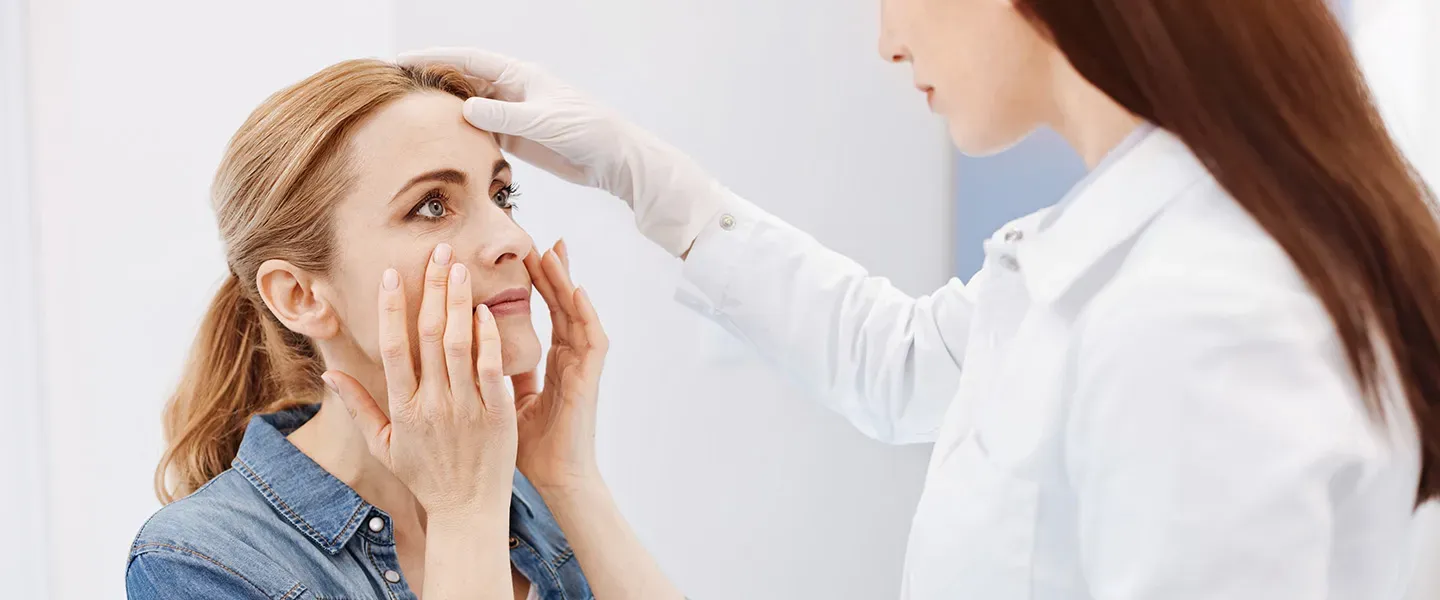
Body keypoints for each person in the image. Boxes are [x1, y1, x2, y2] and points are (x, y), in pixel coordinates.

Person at [400, 1, 1440, 598]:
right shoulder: (1123, 251)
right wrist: (642, 174)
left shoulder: (1196, 314)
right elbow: (900, 364)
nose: (887, 42)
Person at [128, 60, 685, 600]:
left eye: (501, 195)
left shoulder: (535, 502)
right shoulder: (201, 563)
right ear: (300, 296)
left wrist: (570, 480)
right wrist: (462, 515)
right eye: (431, 205)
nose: (514, 239)